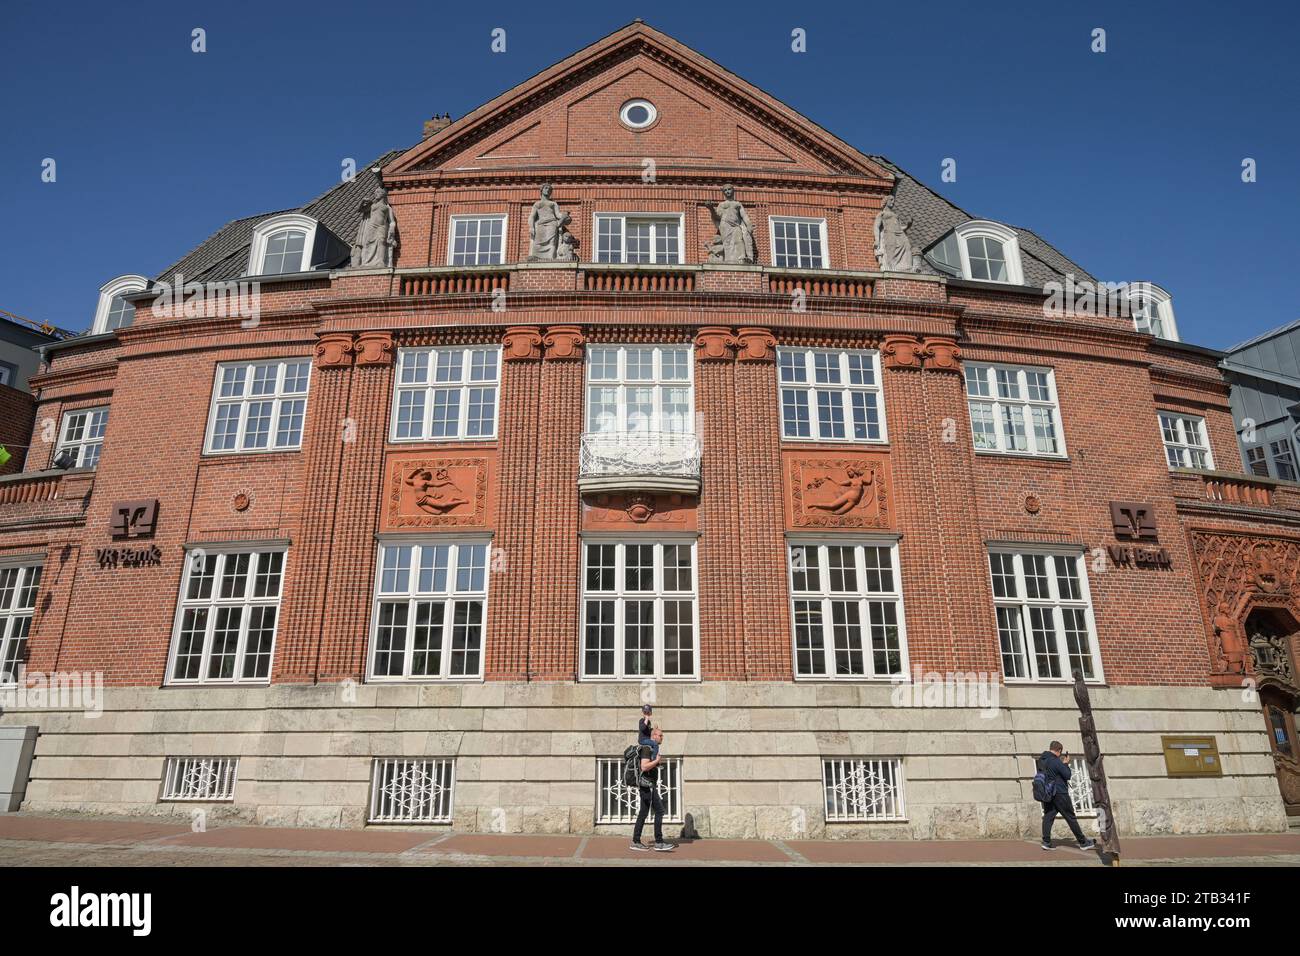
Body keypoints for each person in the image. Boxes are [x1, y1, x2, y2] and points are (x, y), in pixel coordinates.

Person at [1037, 740, 1096, 851]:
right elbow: (1067, 775)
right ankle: (1083, 842)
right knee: (1070, 817)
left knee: (1048, 817)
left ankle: (1046, 842)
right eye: (1060, 752)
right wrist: (1065, 763)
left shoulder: (1042, 760)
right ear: (1059, 750)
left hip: (1048, 793)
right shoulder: (1055, 761)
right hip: (1059, 793)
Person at [630, 727, 675, 852]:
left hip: (649, 785)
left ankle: (636, 841)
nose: (662, 738)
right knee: (659, 811)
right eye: (660, 735)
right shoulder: (647, 748)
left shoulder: (651, 749)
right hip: (647, 785)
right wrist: (656, 761)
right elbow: (644, 767)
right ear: (654, 736)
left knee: (643, 813)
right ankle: (658, 842)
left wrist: (656, 762)